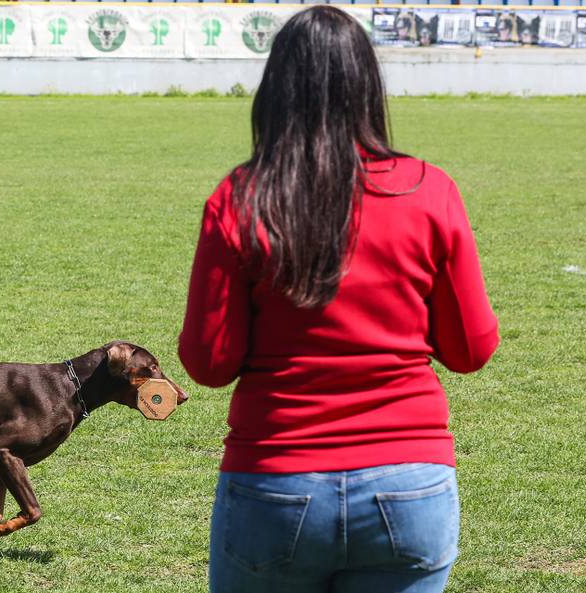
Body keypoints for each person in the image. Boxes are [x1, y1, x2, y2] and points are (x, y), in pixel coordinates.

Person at [177, 6, 499, 593]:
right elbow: (471, 350)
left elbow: (209, 363)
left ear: (276, 88)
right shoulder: (430, 190)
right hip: (410, 482)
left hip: (275, 479)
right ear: (367, 86)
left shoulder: (241, 199)